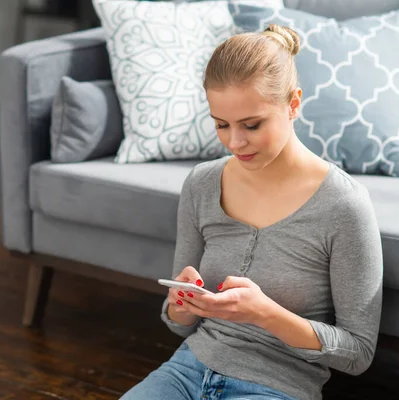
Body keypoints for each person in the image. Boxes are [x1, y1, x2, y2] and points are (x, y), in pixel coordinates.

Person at [121, 24, 383, 400]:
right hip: (187, 370)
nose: (235, 142)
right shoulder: (202, 184)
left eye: (252, 125)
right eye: (221, 125)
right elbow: (179, 325)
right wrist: (183, 304)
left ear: (293, 104)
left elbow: (358, 352)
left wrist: (264, 313)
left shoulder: (344, 206)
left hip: (277, 385)